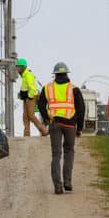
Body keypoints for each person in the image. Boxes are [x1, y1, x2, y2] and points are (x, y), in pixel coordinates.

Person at [36, 62, 87, 194]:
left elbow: (41, 104)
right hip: (70, 125)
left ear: (55, 74)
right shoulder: (74, 88)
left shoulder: (47, 88)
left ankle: (58, 186)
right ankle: (68, 181)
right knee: (69, 151)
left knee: (56, 155)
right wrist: (80, 128)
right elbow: (81, 109)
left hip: (55, 124)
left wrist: (47, 118)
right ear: (67, 74)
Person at [17, 57, 48, 137]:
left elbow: (33, 88)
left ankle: (44, 130)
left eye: (18, 66)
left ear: (22, 67)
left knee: (31, 115)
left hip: (30, 98)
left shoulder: (28, 75)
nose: (17, 68)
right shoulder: (24, 75)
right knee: (25, 116)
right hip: (26, 98)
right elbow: (25, 87)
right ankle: (26, 134)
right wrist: (21, 94)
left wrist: (29, 97)